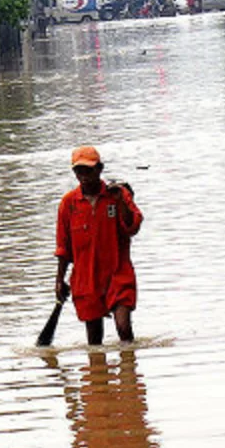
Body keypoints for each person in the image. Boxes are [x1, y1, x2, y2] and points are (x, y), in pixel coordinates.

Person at [54, 146, 143, 345]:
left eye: (88, 170)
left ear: (100, 169)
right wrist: (59, 280)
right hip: (86, 279)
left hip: (118, 273)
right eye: (79, 171)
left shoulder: (117, 195)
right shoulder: (68, 204)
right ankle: (98, 374)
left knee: (124, 328)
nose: (84, 176)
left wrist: (121, 202)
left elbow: (133, 226)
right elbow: (63, 247)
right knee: (94, 341)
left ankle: (129, 369)